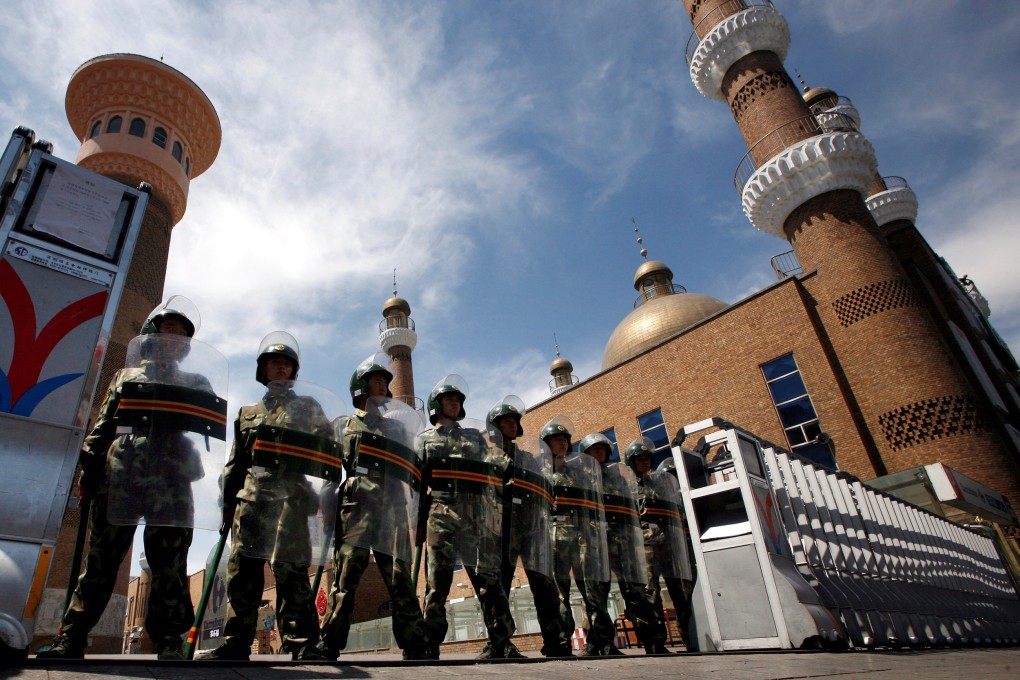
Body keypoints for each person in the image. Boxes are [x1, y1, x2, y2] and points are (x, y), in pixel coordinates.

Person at [39, 296, 220, 660]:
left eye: (182, 334)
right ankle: (72, 636)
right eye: (169, 329)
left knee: (170, 563)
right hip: (121, 474)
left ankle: (169, 640)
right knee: (102, 559)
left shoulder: (196, 380)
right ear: (153, 335)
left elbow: (209, 424)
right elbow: (103, 427)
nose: (174, 337)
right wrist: (88, 471)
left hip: (171, 479)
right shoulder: (125, 377)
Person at [206, 332, 331, 661]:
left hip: (291, 499)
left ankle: (302, 643)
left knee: (291, 572)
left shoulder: (308, 407)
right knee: (243, 573)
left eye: (287, 364)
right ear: (264, 370)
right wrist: (226, 503)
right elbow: (236, 463)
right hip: (251, 501)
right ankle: (236, 643)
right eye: (275, 363)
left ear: (293, 371)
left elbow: (325, 449)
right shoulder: (247, 413)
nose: (281, 368)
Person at [317, 353, 428, 659]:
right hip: (355, 508)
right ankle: (330, 643)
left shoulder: (399, 430)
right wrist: (327, 506)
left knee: (400, 577)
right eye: (375, 381)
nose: (381, 386)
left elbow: (413, 475)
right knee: (346, 577)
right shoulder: (345, 425)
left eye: (384, 382)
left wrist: (416, 517)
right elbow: (329, 469)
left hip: (391, 511)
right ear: (360, 388)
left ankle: (415, 642)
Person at [416, 376, 522, 660]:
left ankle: (502, 642)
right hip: (440, 513)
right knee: (437, 583)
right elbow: (416, 485)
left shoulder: (475, 438)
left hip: (475, 517)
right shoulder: (425, 440)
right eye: (449, 399)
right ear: (436, 405)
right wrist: (417, 525)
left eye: (458, 400)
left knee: (488, 579)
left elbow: (492, 475)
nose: (455, 402)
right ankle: (430, 644)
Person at [478, 397, 570, 657]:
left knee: (544, 586)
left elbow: (541, 488)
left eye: (513, 421)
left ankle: (556, 642)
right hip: (500, 528)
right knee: (499, 587)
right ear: (494, 428)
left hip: (529, 526)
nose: (511, 424)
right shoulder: (487, 457)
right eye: (505, 421)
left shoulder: (528, 457)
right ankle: (499, 643)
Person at [579, 432, 665, 655]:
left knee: (636, 592)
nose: (599, 453)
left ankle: (652, 642)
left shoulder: (618, 476)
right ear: (585, 454)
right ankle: (600, 643)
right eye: (593, 450)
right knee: (595, 596)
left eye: (602, 449)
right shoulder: (578, 476)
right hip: (594, 541)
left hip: (621, 541)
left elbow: (631, 508)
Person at [544, 418, 611, 656]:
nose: (561, 444)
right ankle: (563, 641)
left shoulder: (581, 473)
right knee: (560, 591)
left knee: (591, 589)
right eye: (556, 441)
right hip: (555, 536)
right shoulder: (542, 471)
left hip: (583, 536)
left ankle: (600, 641)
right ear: (547, 445)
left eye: (564, 440)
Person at [626, 438, 694, 652]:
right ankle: (655, 643)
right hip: (644, 546)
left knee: (682, 594)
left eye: (647, 459)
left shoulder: (661, 484)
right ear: (632, 462)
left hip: (669, 545)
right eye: (639, 459)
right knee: (651, 594)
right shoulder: (627, 487)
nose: (644, 462)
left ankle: (691, 638)